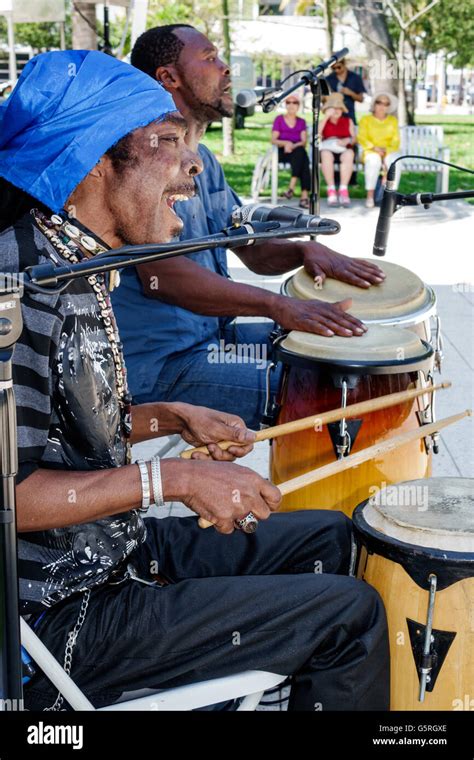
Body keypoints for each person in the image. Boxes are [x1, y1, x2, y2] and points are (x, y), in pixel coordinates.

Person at [1, 50, 390, 712]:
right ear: (94, 158)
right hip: (63, 612)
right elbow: (12, 493)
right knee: (349, 612)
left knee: (332, 535)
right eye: (163, 142)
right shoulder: (19, 289)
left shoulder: (78, 262)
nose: (193, 165)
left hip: (115, 552)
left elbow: (56, 432)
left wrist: (174, 417)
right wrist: (173, 478)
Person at [111, 24, 386, 430]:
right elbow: (163, 275)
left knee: (350, 353)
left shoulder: (203, 158)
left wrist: (302, 251)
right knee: (337, 397)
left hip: (212, 340)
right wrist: (278, 305)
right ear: (168, 77)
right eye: (210, 59)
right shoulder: (142, 157)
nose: (226, 70)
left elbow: (245, 246)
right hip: (162, 364)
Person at [357, 91, 401, 208]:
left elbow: (396, 141)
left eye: (386, 104)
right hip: (370, 150)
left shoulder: (393, 121)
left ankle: (391, 197)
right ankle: (370, 196)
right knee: (373, 160)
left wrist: (385, 152)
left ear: (388, 107)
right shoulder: (365, 120)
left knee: (395, 162)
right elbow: (362, 138)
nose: (382, 106)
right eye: (379, 102)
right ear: (374, 104)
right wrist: (374, 148)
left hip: (388, 151)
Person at [271, 94, 311, 208]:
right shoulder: (279, 119)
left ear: (299, 106)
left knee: (301, 153)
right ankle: (304, 197)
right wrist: (285, 143)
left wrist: (292, 145)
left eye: (295, 102)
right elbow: (273, 140)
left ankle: (291, 189)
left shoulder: (301, 121)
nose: (291, 105)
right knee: (303, 158)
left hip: (296, 151)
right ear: (285, 105)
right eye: (288, 102)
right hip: (282, 152)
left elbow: (303, 141)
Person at [318, 92, 356, 207]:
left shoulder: (348, 121)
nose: (336, 110)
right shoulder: (324, 121)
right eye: (333, 108)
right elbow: (317, 134)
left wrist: (347, 140)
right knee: (325, 154)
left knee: (349, 154)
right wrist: (326, 117)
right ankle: (331, 190)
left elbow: (354, 138)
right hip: (327, 147)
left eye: (339, 108)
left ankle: (343, 190)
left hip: (343, 147)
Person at [325, 57, 366, 124]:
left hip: (349, 116)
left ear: (344, 64)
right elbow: (323, 99)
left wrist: (351, 93)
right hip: (332, 118)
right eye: (333, 68)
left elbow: (361, 99)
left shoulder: (355, 78)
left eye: (338, 67)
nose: (336, 70)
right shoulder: (328, 79)